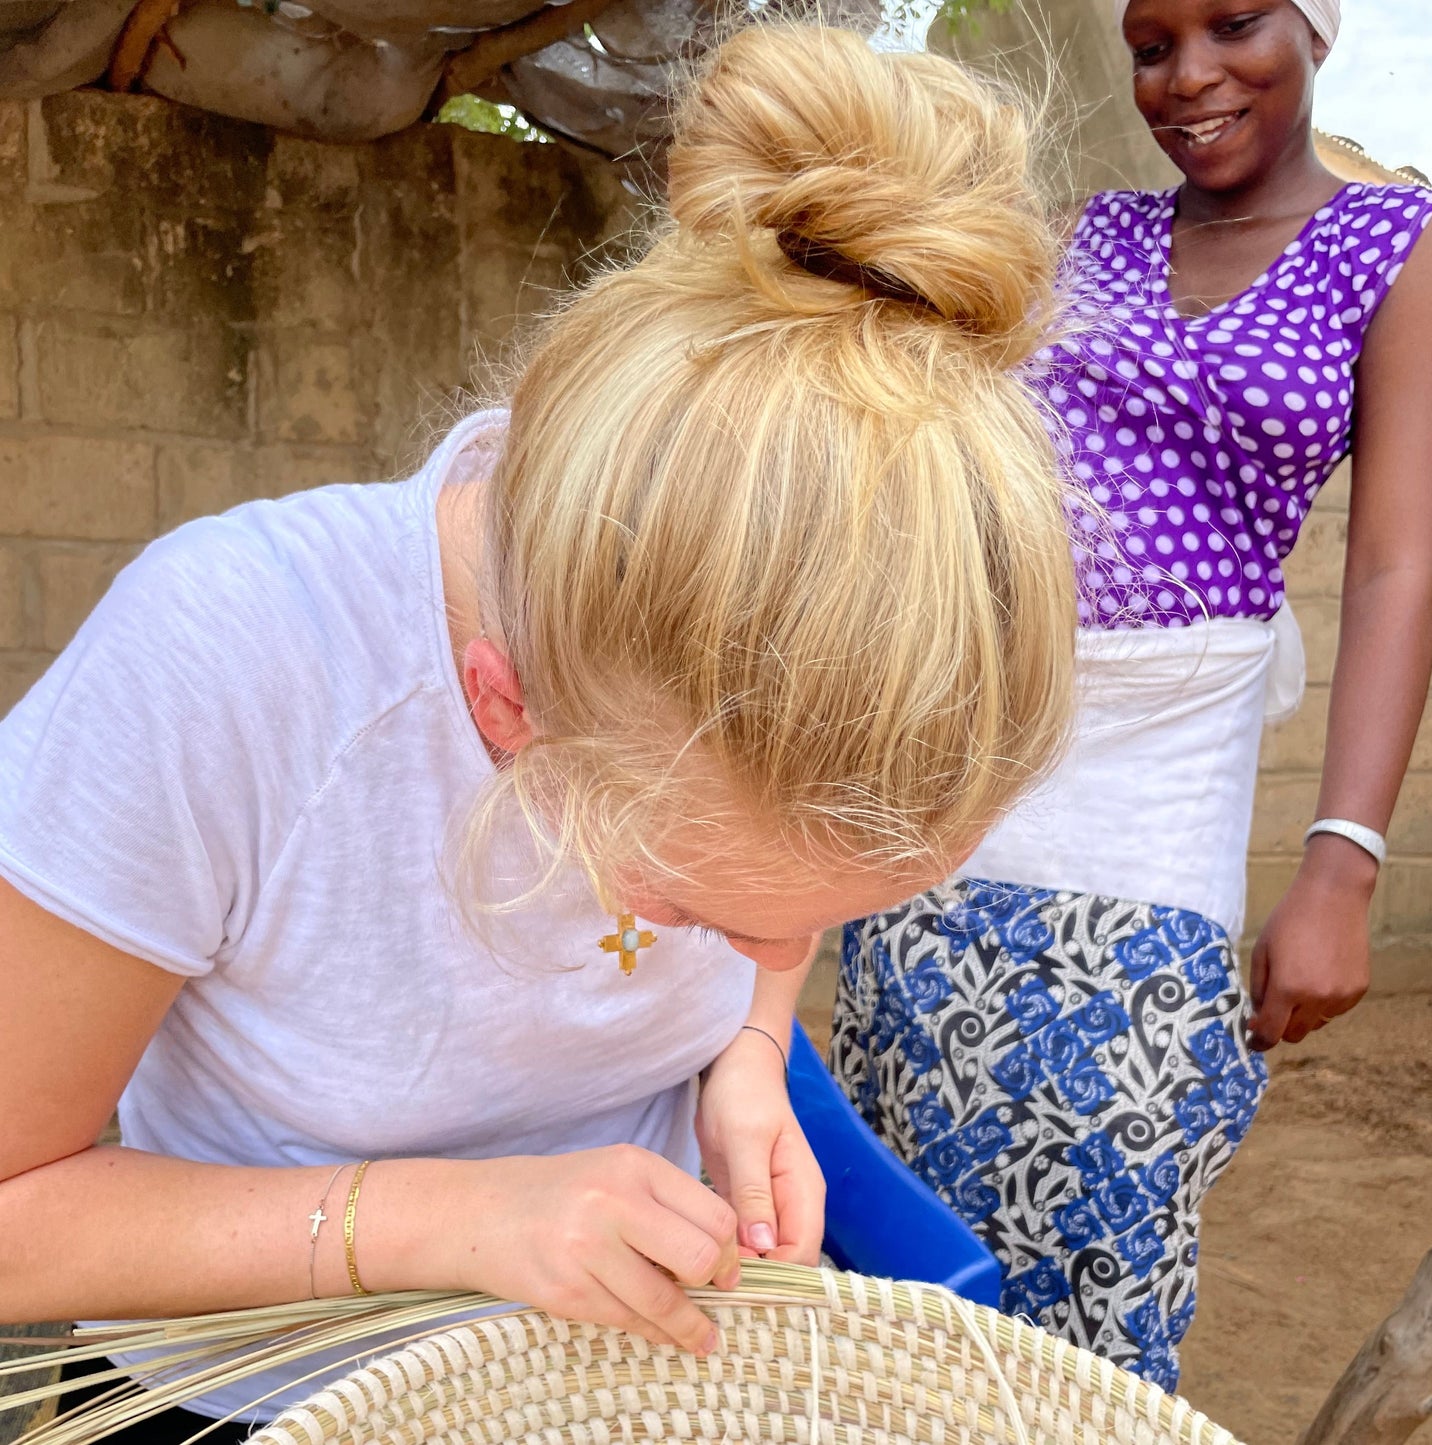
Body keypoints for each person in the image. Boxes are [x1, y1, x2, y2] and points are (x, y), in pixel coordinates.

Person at [0, 24, 1081, 1442]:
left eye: (808, 918)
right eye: (693, 906)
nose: (761, 952)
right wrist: (448, 1216)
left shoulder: (739, 719)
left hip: (623, 1380)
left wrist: (748, 1054)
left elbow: (769, 913)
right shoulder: (230, 667)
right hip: (263, 1397)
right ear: (505, 710)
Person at [832, 0, 1432, 1393]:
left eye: (1232, 25)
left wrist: (1340, 863)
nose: (1188, 78)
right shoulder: (1084, 235)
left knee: (1101, 1275)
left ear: (1315, 30)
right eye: (1150, 44)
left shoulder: (1400, 245)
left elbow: (1398, 564)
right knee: (897, 1287)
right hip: (950, 816)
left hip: (1154, 835)